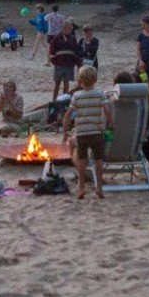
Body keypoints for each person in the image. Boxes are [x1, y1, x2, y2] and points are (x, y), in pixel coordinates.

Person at [62, 66, 112, 199]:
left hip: (81, 133)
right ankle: (99, 187)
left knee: (82, 159)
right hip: (96, 132)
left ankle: (81, 186)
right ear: (95, 79)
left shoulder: (76, 96)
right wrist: (111, 123)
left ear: (80, 81)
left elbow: (68, 115)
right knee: (98, 159)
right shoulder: (100, 94)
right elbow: (106, 110)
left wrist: (65, 130)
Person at [48, 21, 79, 102]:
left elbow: (76, 51)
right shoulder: (57, 37)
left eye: (70, 28)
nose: (69, 30)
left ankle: (64, 101)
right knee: (57, 84)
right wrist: (54, 61)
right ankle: (54, 101)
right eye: (68, 28)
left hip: (69, 64)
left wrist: (74, 62)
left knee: (66, 84)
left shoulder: (73, 38)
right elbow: (51, 50)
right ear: (63, 28)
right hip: (59, 65)